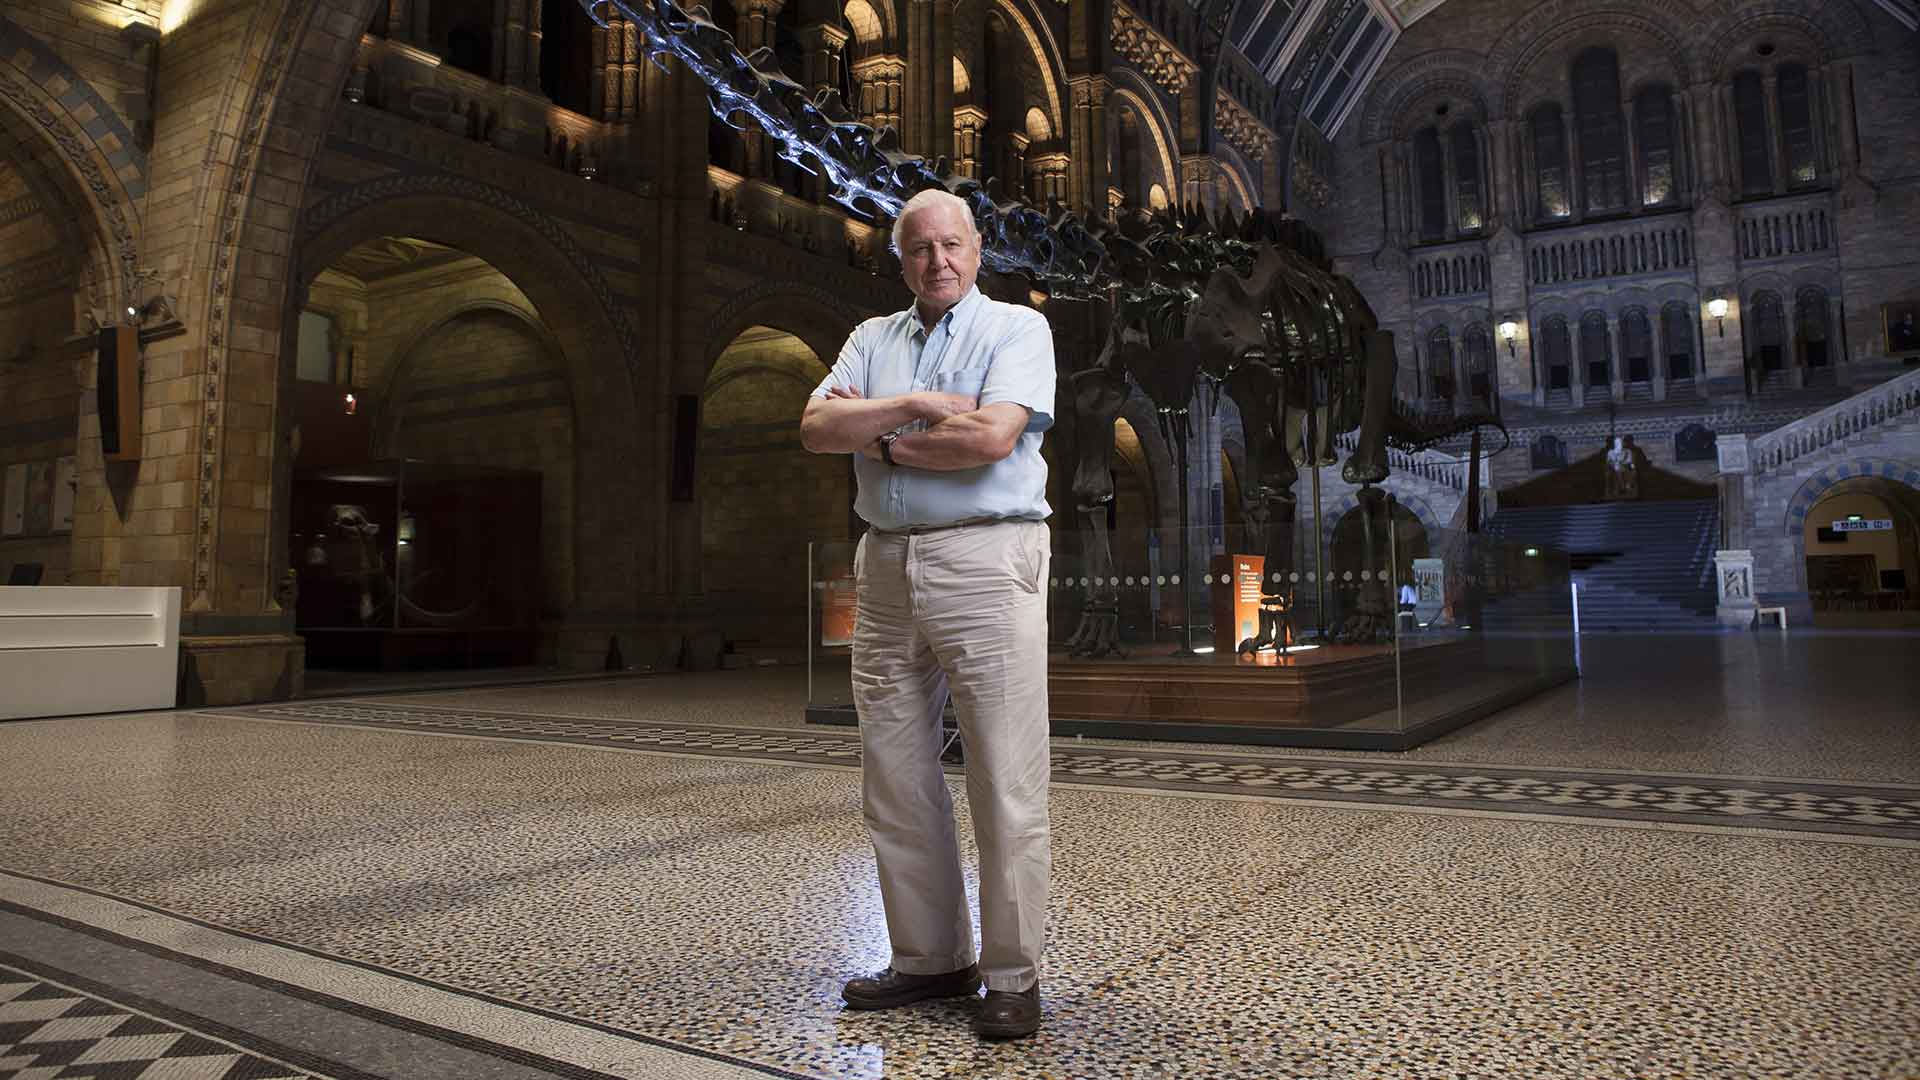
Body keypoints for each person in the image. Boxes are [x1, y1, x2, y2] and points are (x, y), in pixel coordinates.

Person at [799, 188, 1057, 1040]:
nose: (937, 261)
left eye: (952, 245)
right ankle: (929, 959)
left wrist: (872, 437)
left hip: (989, 557)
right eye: (920, 249)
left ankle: (1011, 974)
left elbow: (990, 439)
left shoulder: (1019, 330)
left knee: (1004, 776)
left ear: (977, 250)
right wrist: (913, 407)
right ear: (899, 258)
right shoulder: (871, 339)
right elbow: (812, 427)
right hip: (885, 565)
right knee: (897, 773)